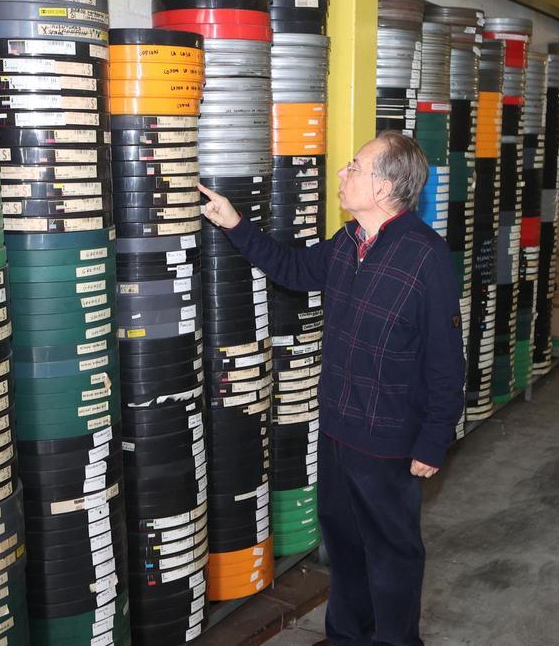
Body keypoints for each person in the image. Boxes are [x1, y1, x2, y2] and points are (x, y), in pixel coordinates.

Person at [199, 130, 465, 646]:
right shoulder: (349, 243)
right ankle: (347, 637)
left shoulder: (424, 256)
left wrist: (434, 438)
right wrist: (235, 224)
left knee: (392, 555)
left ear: (387, 185)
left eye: (355, 168)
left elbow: (445, 355)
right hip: (339, 431)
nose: (342, 176)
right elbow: (293, 270)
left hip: (389, 440)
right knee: (344, 547)